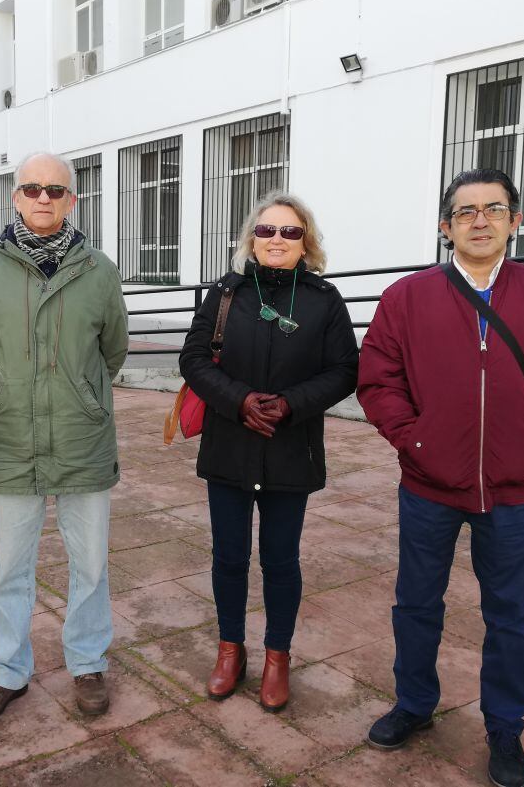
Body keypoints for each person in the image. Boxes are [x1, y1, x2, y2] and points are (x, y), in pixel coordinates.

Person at [357, 168, 524, 787]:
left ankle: (506, 728)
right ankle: (414, 704)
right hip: (430, 485)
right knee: (415, 604)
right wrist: (413, 440)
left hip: (513, 492)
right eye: (466, 212)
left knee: (510, 615)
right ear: (446, 227)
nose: (481, 220)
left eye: (494, 209)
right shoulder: (407, 297)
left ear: (515, 222)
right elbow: (378, 378)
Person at [0, 151, 129, 724]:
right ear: (15, 196)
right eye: (32, 188)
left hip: (82, 437)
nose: (42, 198)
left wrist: (80, 394)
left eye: (55, 191)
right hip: (11, 437)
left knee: (91, 563)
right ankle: (6, 672)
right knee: (10, 566)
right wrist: (14, 391)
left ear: (73, 200)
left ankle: (87, 664)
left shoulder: (100, 271)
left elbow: (112, 352)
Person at [179, 190, 358, 712]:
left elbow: (345, 369)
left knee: (281, 561)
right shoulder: (224, 294)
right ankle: (230, 651)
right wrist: (238, 401)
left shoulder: (324, 301)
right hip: (229, 448)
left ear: (306, 243)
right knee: (229, 558)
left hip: (289, 450)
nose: (276, 239)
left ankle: (277, 657)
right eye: (266, 231)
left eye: (289, 232)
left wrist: (290, 404)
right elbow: (194, 358)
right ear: (250, 240)